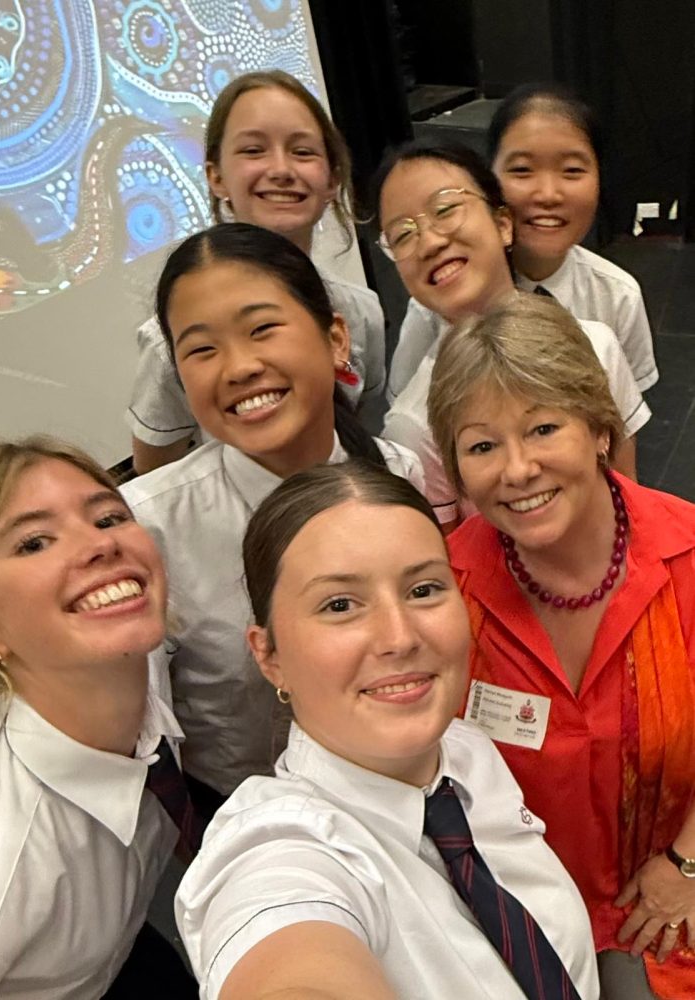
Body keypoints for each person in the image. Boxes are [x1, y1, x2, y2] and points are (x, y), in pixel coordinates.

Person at [174, 460, 599, 1000]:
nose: (399, 637)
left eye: (423, 590)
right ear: (269, 656)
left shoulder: (465, 752)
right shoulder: (278, 850)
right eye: (340, 605)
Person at [426, 294, 695, 1000]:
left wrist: (687, 865)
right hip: (512, 932)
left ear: (597, 429)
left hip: (671, 910)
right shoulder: (439, 593)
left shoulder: (688, 558)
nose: (517, 470)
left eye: (542, 428)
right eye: (482, 445)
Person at [120, 223, 422, 812]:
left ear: (337, 339)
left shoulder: (397, 475)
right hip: (240, 806)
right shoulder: (150, 528)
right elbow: (143, 731)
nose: (238, 367)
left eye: (262, 329)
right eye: (202, 349)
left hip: (399, 781)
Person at [0, 438, 195, 999]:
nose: (100, 545)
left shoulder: (132, 654)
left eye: (109, 517)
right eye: (33, 542)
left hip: (119, 946)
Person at [375, 139, 649, 529]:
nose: (431, 241)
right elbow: (450, 565)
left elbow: (630, 503)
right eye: (402, 235)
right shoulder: (414, 425)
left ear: (503, 223)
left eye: (446, 209)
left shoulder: (596, 347)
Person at [127, 69, 386, 474]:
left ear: (333, 178)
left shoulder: (362, 312)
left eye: (303, 151)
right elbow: (157, 469)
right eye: (253, 150)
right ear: (216, 176)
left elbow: (364, 432)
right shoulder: (171, 341)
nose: (281, 169)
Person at [388, 86, 658, 401]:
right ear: (488, 181)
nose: (547, 194)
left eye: (572, 170)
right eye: (522, 170)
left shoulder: (617, 296)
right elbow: (406, 425)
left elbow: (625, 419)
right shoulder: (437, 303)